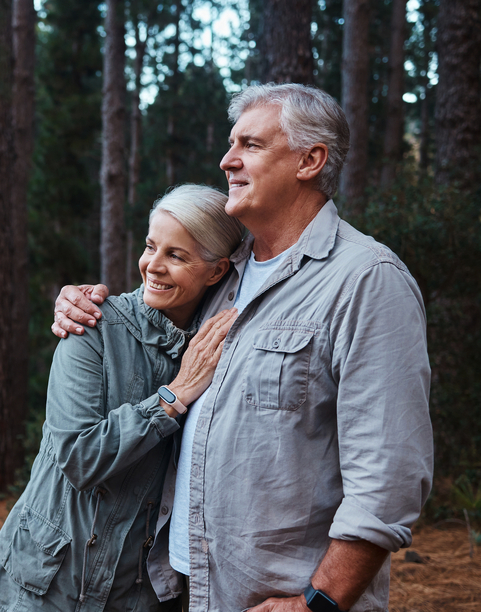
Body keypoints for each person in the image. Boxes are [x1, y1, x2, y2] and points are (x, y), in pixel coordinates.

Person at [53, 83, 433, 612]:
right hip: (183, 589)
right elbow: (140, 314)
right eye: (232, 145)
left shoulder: (367, 281)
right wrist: (79, 303)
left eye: (250, 145)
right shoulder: (223, 275)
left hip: (278, 599)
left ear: (310, 160)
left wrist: (318, 602)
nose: (227, 160)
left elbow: (388, 479)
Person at [0, 185, 244, 612]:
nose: (153, 266)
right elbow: (79, 456)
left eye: (176, 255)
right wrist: (172, 398)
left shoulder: (219, 349)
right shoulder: (91, 327)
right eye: (151, 246)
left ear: (216, 271)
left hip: (135, 595)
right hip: (45, 590)